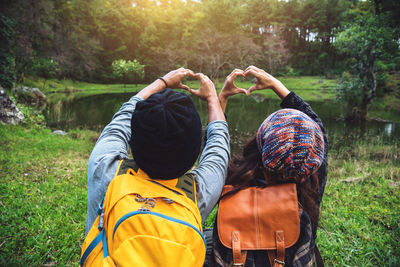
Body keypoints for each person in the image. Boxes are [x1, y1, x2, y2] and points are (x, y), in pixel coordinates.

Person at [84, 68, 230, 265]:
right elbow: (218, 147)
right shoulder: (198, 193)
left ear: (133, 142)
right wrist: (212, 96)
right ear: (194, 151)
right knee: (213, 239)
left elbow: (121, 121)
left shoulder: (105, 168)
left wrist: (162, 82)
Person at [209, 66, 328, 266]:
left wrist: (221, 99)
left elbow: (215, 150)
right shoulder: (310, 183)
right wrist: (277, 85)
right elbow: (318, 127)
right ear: (315, 158)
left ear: (260, 145)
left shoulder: (234, 178)